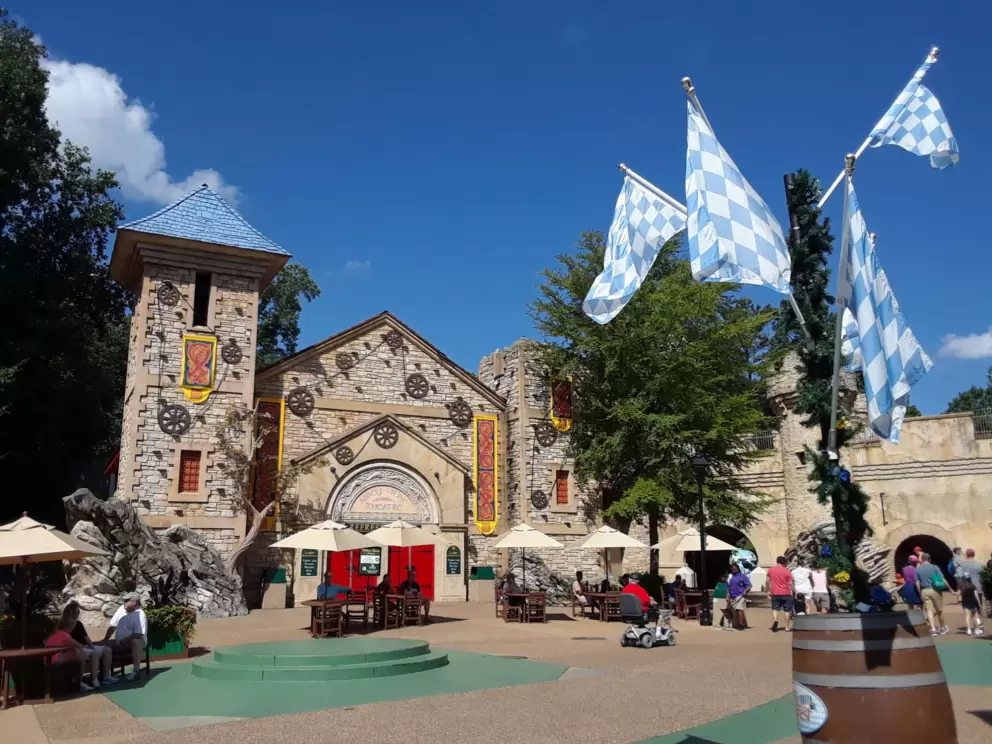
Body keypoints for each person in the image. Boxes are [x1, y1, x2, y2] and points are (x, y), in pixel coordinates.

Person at [63, 601, 117, 688]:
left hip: (85, 647)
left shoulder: (78, 624)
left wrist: (92, 646)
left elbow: (86, 638)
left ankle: (106, 676)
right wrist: (89, 647)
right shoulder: (65, 625)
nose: (78, 613)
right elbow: (70, 641)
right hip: (78, 648)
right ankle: (94, 679)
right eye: (77, 612)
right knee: (94, 653)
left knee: (107, 650)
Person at [101, 593, 147, 682]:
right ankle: (103, 673)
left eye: (126, 601)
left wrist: (125, 640)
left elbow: (138, 634)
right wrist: (105, 640)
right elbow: (112, 626)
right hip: (119, 641)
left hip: (137, 641)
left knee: (135, 641)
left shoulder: (141, 614)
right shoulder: (121, 609)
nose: (124, 603)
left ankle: (136, 670)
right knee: (103, 646)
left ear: (134, 602)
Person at [915, 552, 948, 636]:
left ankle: (933, 629)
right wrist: (950, 588)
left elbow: (917, 583)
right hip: (935, 590)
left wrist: (920, 593)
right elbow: (942, 579)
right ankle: (942, 628)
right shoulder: (935, 567)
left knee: (929, 611)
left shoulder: (918, 569)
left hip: (924, 591)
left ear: (922, 560)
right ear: (929, 559)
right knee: (939, 610)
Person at [959, 549, 985, 634]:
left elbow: (961, 577)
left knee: (967, 608)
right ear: (974, 555)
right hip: (978, 588)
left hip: (966, 588)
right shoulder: (978, 564)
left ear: (966, 555)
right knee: (978, 607)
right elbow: (982, 577)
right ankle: (979, 624)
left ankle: (971, 627)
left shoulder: (963, 565)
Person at [767, 556, 794, 633]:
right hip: (786, 593)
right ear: (784, 562)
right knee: (787, 610)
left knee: (775, 608)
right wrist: (794, 591)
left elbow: (767, 581)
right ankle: (787, 627)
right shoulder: (787, 571)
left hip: (775, 593)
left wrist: (768, 591)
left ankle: (775, 620)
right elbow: (791, 583)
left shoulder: (770, 570)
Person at [727, 563, 751, 630]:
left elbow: (749, 585)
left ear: (738, 569)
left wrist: (745, 591)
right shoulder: (730, 577)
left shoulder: (742, 576)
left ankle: (741, 624)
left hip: (741, 595)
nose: (734, 570)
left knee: (739, 608)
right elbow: (728, 588)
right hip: (733, 596)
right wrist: (727, 596)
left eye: (735, 569)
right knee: (736, 610)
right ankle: (739, 623)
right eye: (733, 569)